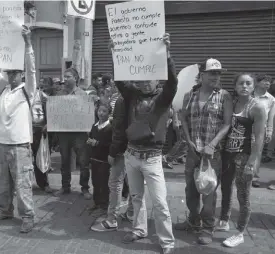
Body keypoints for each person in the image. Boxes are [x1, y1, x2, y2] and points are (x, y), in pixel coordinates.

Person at [109, 34, 176, 254]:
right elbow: (119, 80)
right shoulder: (132, 95)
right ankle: (140, 229)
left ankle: (167, 242)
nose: (146, 81)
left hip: (153, 158)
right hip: (132, 155)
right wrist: (115, 53)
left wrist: (167, 53)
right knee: (136, 198)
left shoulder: (164, 97)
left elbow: (173, 82)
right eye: (143, 78)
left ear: (158, 79)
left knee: (160, 203)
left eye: (151, 78)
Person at [0, 26, 36, 233]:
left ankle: (28, 216)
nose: (12, 76)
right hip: (3, 145)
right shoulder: (4, 89)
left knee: (23, 184)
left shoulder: (27, 91)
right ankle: (5, 211)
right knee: (3, 183)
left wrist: (28, 43)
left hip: (21, 146)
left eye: (15, 73)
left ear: (21, 74)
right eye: (10, 72)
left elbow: (31, 69)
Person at [175, 58, 233, 245]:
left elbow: (227, 124)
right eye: (212, 73)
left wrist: (213, 144)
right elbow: (183, 119)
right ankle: (193, 220)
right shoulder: (189, 96)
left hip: (212, 154)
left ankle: (208, 228)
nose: (216, 76)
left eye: (218, 73)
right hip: (193, 151)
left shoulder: (224, 96)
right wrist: (188, 140)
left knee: (208, 191)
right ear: (202, 75)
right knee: (191, 189)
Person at [216, 73, 266, 247]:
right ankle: (223, 219)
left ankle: (240, 232)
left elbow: (259, 137)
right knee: (226, 188)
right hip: (227, 153)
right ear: (235, 86)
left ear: (253, 86)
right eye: (241, 83)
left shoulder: (257, 107)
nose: (244, 86)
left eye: (248, 83)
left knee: (243, 195)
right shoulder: (232, 103)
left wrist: (253, 162)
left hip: (244, 156)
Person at [91, 96, 145, 235]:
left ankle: (112, 219)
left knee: (115, 183)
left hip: (123, 150)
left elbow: (119, 130)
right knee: (134, 184)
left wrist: (113, 152)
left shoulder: (122, 100)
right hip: (139, 148)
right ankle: (131, 214)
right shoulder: (144, 97)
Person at [53, 67, 92, 199]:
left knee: (83, 161)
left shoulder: (83, 95)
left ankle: (85, 188)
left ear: (75, 78)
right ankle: (65, 187)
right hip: (64, 133)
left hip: (79, 133)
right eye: (65, 76)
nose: (65, 79)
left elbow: (88, 115)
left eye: (68, 76)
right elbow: (55, 114)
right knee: (64, 161)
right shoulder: (59, 95)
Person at [87, 102, 113, 211]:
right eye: (99, 111)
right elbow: (91, 138)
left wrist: (97, 143)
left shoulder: (110, 128)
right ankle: (96, 201)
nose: (101, 113)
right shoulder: (94, 126)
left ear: (109, 113)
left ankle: (104, 205)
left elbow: (110, 144)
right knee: (95, 181)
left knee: (104, 183)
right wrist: (89, 141)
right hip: (94, 158)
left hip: (104, 160)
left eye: (104, 111)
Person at [31, 83, 53, 193]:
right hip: (25, 131)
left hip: (39, 130)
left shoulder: (42, 95)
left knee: (41, 158)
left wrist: (47, 124)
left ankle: (44, 183)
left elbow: (51, 110)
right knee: (24, 159)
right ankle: (25, 184)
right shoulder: (20, 95)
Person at [252, 75, 274, 176]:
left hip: (260, 129)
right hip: (245, 127)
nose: (267, 83)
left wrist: (269, 131)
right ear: (257, 82)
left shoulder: (271, 99)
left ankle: (254, 175)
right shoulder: (249, 94)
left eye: (269, 81)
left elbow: (271, 116)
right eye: (265, 81)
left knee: (257, 152)